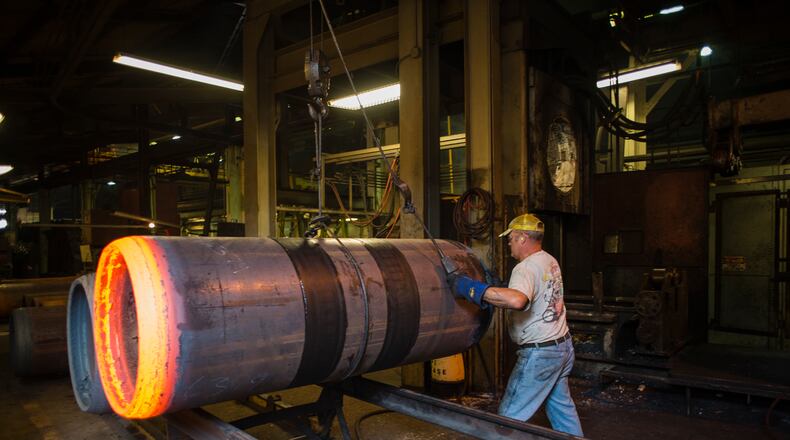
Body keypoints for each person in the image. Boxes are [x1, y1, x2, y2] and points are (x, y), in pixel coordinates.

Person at [448, 213, 583, 436]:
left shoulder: (524, 268)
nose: (508, 242)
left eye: (510, 238)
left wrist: (471, 289)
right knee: (562, 411)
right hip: (562, 347)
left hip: (541, 354)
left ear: (521, 237)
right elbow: (537, 293)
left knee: (507, 420)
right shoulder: (549, 260)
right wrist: (500, 288)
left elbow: (518, 300)